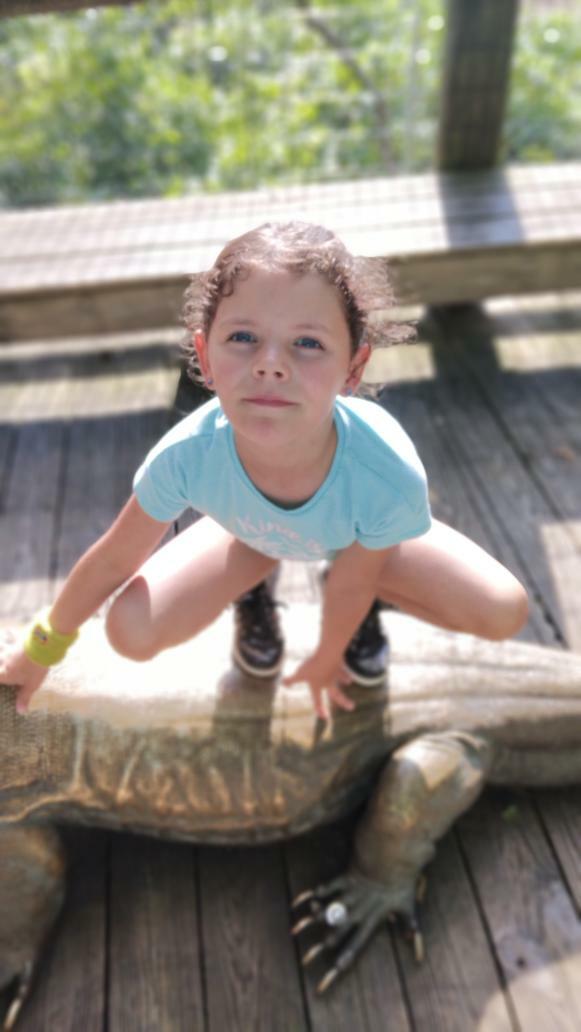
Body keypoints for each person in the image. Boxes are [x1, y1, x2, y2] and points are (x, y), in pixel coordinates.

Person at [1, 222, 529, 720]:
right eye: (243, 337)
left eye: (308, 343)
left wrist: (327, 653)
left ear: (354, 367)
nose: (270, 363)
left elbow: (355, 579)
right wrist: (41, 650)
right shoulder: (187, 454)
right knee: (130, 631)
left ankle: (366, 604)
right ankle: (254, 589)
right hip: (248, 534)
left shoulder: (384, 473)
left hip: (362, 546)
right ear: (205, 355)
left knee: (502, 609)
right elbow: (115, 557)